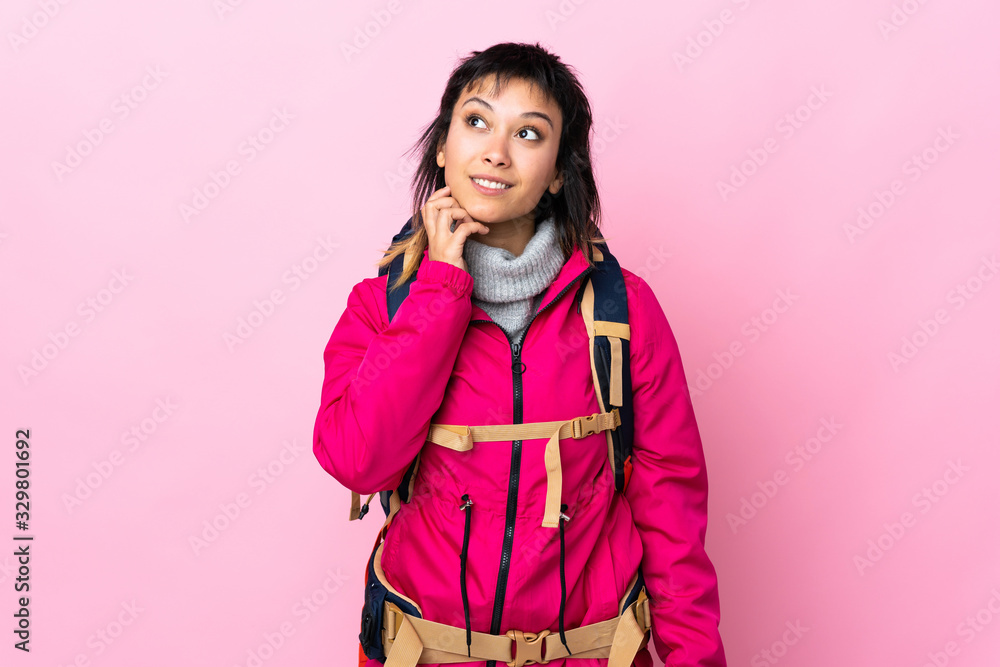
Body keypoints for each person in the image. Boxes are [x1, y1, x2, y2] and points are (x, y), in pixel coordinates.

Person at [312, 42, 727, 667]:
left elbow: (673, 516)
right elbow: (356, 461)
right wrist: (441, 291)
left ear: (560, 170)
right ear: (443, 148)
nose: (496, 152)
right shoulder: (383, 306)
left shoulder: (625, 312)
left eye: (529, 134)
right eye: (475, 122)